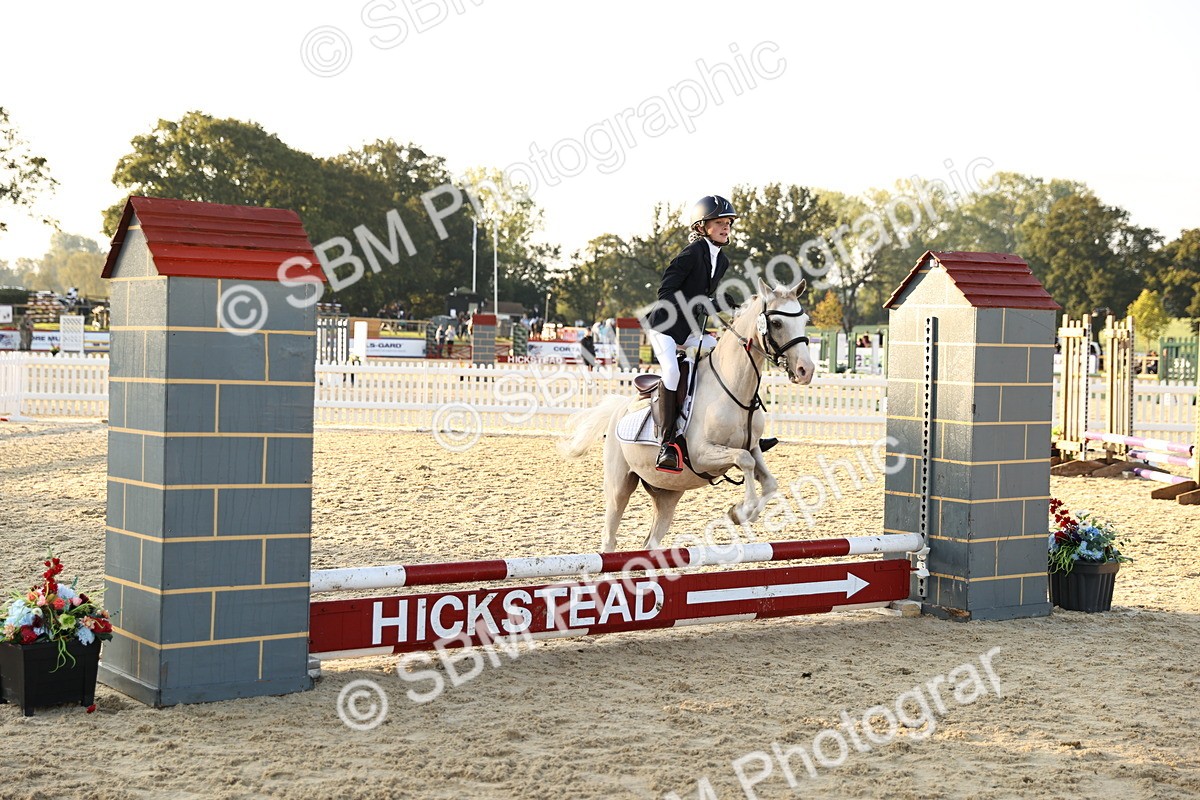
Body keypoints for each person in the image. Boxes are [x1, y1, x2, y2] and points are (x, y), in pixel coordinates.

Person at [644, 195, 735, 472]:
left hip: (689, 330)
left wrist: (733, 306)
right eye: (719, 223)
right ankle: (667, 441)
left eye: (728, 223)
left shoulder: (721, 261)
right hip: (665, 328)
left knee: (718, 354)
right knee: (671, 372)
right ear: (701, 227)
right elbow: (666, 291)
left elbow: (706, 297)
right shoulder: (690, 254)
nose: (725, 227)